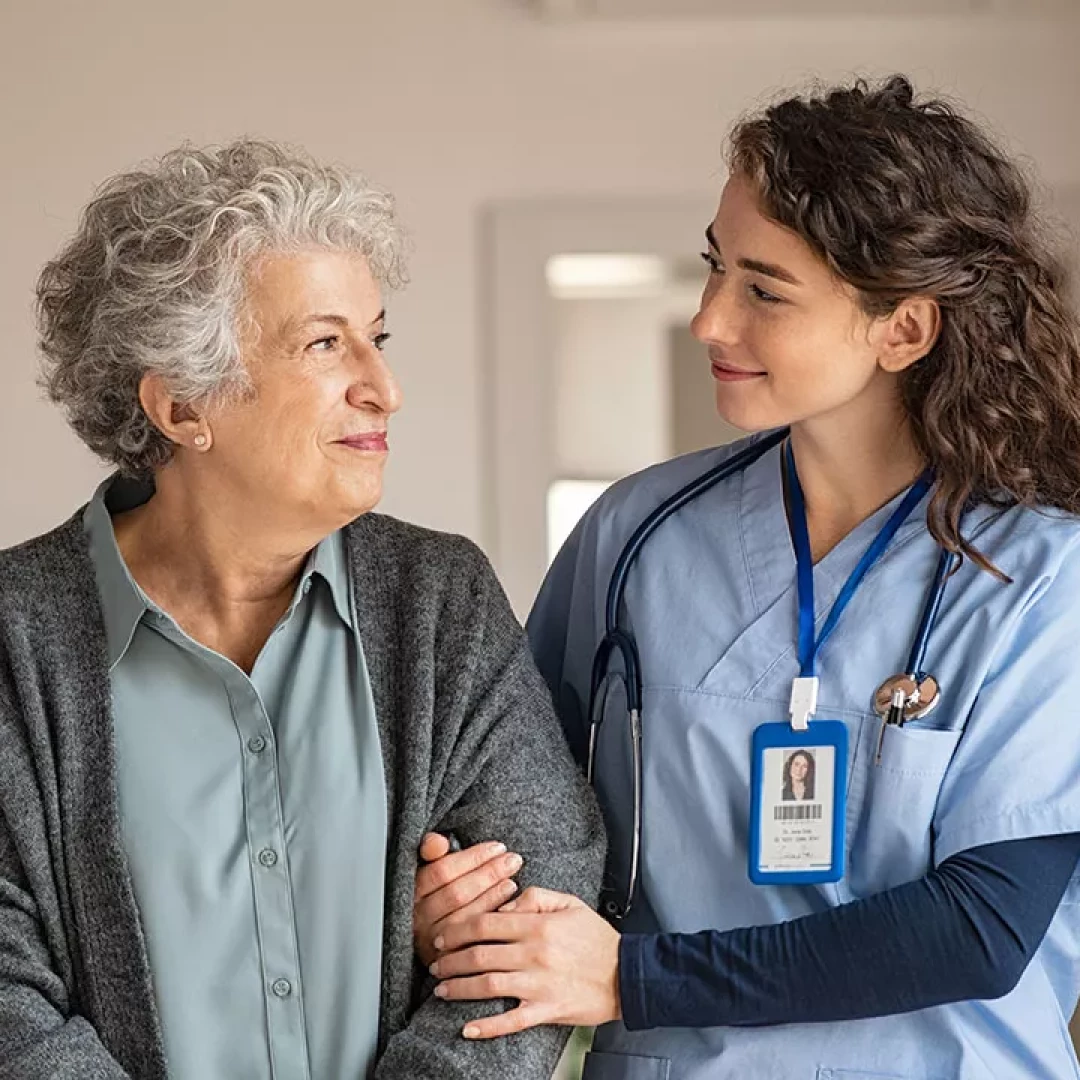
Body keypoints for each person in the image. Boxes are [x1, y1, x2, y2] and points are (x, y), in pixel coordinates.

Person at [413, 76, 1080, 1079]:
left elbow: (981, 928)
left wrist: (636, 981)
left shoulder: (1037, 577)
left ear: (903, 328)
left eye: (764, 290)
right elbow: (516, 813)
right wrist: (466, 899)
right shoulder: (635, 536)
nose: (709, 322)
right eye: (715, 270)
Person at [0, 138, 605, 1080]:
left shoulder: (440, 601)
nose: (384, 387)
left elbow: (537, 913)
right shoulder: (12, 636)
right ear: (182, 405)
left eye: (377, 335)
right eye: (325, 343)